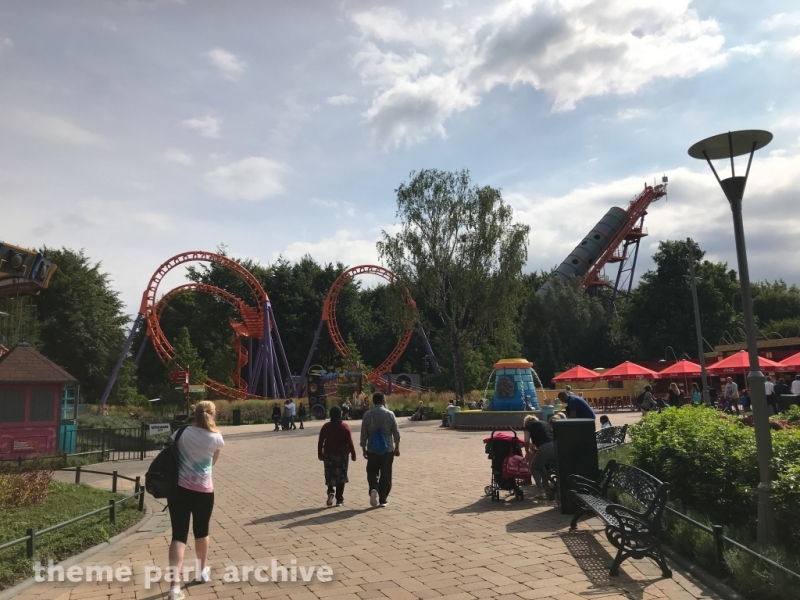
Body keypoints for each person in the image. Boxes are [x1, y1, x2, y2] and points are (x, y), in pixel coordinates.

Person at [167, 401, 224, 600]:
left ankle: (174, 587)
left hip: (179, 490)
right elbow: (213, 462)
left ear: (194, 414)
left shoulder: (181, 434)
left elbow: (171, 452)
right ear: (213, 414)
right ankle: (201, 571)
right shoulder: (216, 438)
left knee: (178, 536)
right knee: (202, 531)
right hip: (204, 490)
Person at [360, 392, 400, 507]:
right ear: (383, 401)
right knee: (386, 473)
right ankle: (383, 499)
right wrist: (397, 448)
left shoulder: (368, 415)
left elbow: (364, 433)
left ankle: (373, 488)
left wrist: (363, 447)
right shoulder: (390, 414)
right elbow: (396, 432)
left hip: (372, 448)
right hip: (387, 448)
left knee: (372, 470)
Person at [318, 406, 356, 507]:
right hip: (342, 454)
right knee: (341, 476)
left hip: (329, 454)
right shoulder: (345, 426)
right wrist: (353, 454)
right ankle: (339, 499)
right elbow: (350, 442)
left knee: (330, 473)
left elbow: (321, 441)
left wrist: (320, 454)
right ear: (340, 414)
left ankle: (331, 491)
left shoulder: (326, 427)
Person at [522, 415, 555, 499]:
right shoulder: (544, 423)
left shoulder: (528, 426)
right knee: (541, 466)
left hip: (544, 447)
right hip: (555, 446)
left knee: (534, 467)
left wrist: (527, 451)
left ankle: (541, 490)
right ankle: (547, 488)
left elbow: (526, 441)